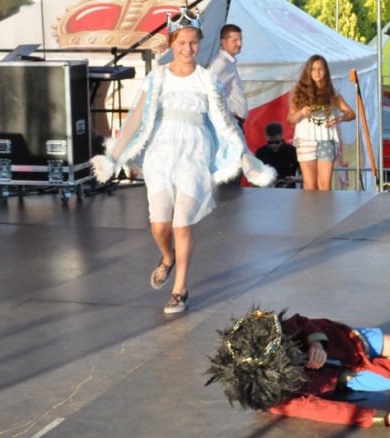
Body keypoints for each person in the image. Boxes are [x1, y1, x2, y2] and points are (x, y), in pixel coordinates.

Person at [90, 6, 275, 314]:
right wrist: (114, 156)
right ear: (171, 43)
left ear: (200, 43)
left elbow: (226, 124)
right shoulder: (158, 77)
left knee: (182, 223)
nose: (187, 49)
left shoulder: (207, 79)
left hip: (194, 154)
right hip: (161, 154)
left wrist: (248, 161)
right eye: (181, 43)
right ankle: (167, 257)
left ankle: (180, 289)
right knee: (159, 224)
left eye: (193, 42)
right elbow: (136, 119)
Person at [205, 308, 390, 429]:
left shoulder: (274, 334)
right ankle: (378, 364)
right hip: (343, 376)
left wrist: (316, 344)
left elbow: (302, 322)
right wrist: (388, 418)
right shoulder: (279, 400)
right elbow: (327, 411)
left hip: (342, 341)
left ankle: (372, 351)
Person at [287, 55, 355, 191]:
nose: (317, 72)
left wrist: (338, 119)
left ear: (325, 71)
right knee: (310, 185)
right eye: (313, 69)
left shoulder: (331, 92)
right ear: (308, 71)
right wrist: (301, 112)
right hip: (305, 139)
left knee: (324, 185)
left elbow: (351, 114)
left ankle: (325, 206)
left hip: (326, 139)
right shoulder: (298, 92)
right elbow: (290, 118)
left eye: (321, 69)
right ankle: (310, 206)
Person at [210, 24, 248, 130]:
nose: (239, 43)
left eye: (240, 39)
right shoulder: (221, 63)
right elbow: (210, 90)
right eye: (234, 40)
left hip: (233, 122)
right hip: (229, 123)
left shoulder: (227, 62)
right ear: (224, 42)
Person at [255, 122, 300, 188]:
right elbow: (254, 176)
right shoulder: (261, 152)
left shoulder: (292, 151)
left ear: (281, 136)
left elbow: (305, 175)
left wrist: (294, 179)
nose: (274, 145)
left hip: (287, 190)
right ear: (266, 138)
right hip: (266, 190)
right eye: (270, 143)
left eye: (277, 142)